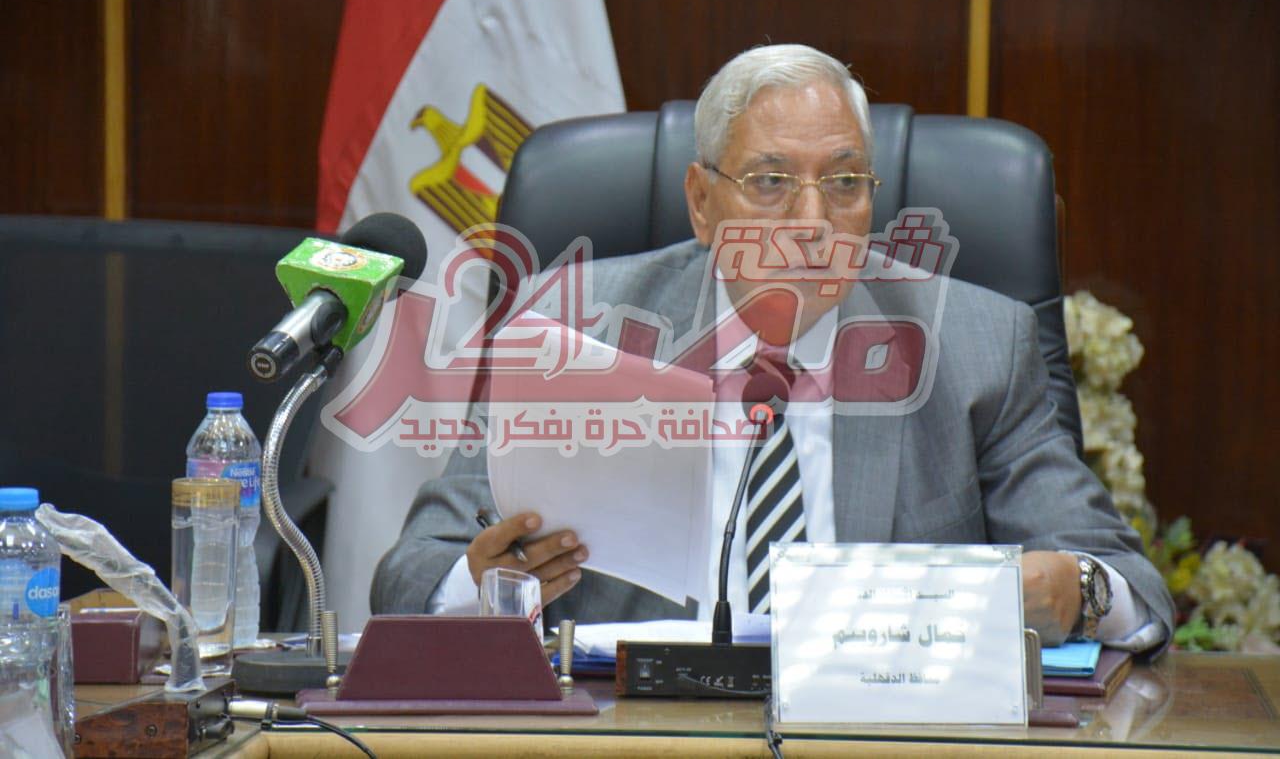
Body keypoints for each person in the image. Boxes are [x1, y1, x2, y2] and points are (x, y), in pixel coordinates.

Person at [372, 44, 1174, 651]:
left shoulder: (976, 346)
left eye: (845, 182)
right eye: (770, 182)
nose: (811, 221)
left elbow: (1130, 584)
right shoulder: (572, 326)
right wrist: (486, 584)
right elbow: (410, 576)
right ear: (701, 202)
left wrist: (1079, 588)